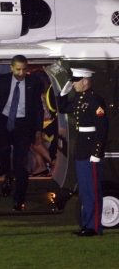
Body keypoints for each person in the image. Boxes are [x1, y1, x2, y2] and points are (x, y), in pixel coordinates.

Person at [0, 55, 44, 211]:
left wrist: (39, 129)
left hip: (24, 125)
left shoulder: (33, 83)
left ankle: (19, 199)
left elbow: (37, 108)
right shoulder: (1, 81)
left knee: (19, 162)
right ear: (11, 67)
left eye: (24, 69)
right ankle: (7, 173)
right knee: (3, 150)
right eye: (18, 69)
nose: (21, 73)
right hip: (4, 121)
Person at [58, 68, 109, 237]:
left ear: (86, 81)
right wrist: (63, 94)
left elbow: (101, 129)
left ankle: (94, 227)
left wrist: (97, 152)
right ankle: (87, 225)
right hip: (81, 151)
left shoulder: (95, 100)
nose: (73, 83)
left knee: (93, 190)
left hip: (91, 152)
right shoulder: (80, 99)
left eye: (76, 80)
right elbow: (64, 108)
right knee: (85, 191)